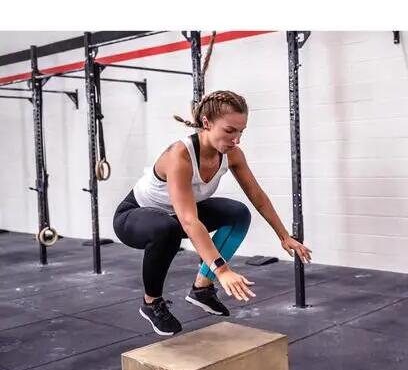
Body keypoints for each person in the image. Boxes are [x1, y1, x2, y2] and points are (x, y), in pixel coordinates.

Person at [113, 90, 312, 336]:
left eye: (241, 131)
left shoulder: (232, 155)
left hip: (177, 216)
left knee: (238, 213)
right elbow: (188, 220)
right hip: (135, 216)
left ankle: (201, 289)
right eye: (230, 130)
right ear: (206, 123)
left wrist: (284, 236)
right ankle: (151, 302)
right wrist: (222, 269)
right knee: (168, 228)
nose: (236, 139)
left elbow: (257, 196)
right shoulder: (180, 155)